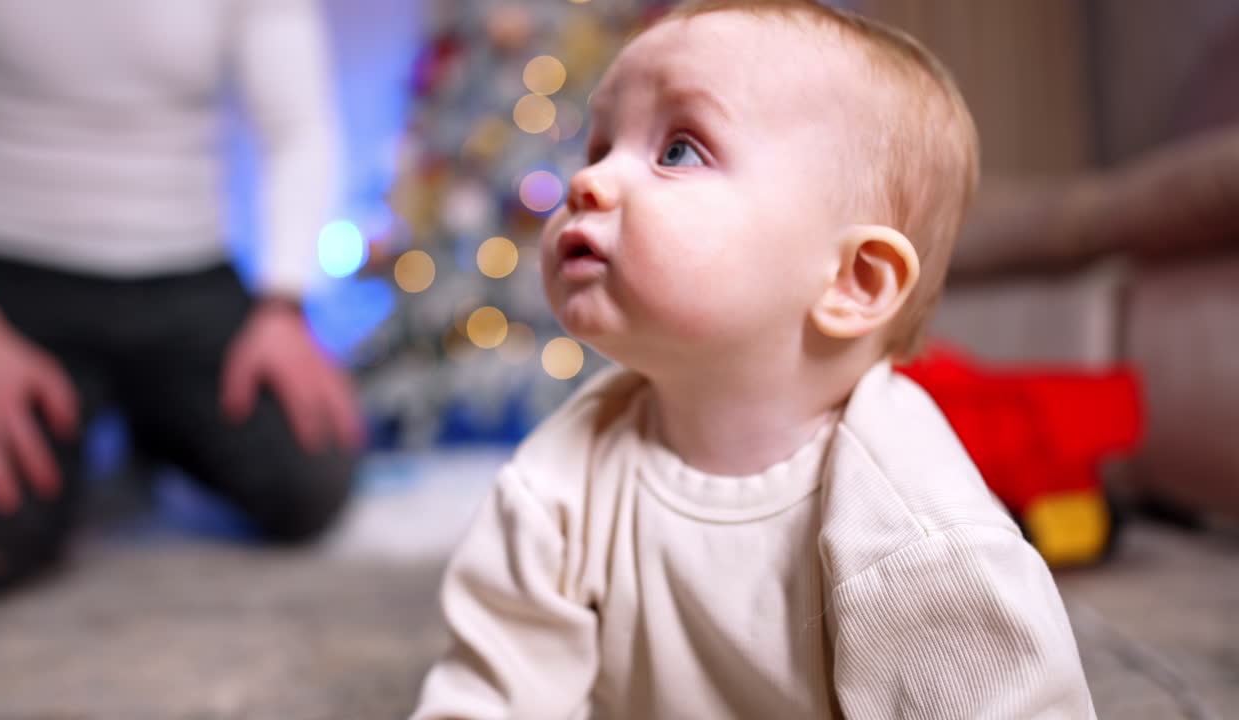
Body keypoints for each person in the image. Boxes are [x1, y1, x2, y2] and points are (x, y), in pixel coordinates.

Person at [409, 1, 1096, 718]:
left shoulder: (914, 521)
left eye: (678, 149)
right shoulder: (558, 481)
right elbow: (493, 693)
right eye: (598, 147)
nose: (588, 182)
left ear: (851, 282)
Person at [0, 0, 364, 597]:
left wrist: (283, 308)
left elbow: (299, 132)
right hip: (5, 281)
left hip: (187, 270)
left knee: (311, 481)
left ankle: (156, 421)